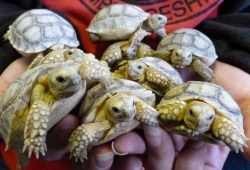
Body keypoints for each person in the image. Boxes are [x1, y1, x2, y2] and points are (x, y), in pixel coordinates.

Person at [0, 0, 250, 170]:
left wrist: (238, 57)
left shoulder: (141, 77)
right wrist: (7, 58)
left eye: (131, 108)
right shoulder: (76, 66)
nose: (128, 113)